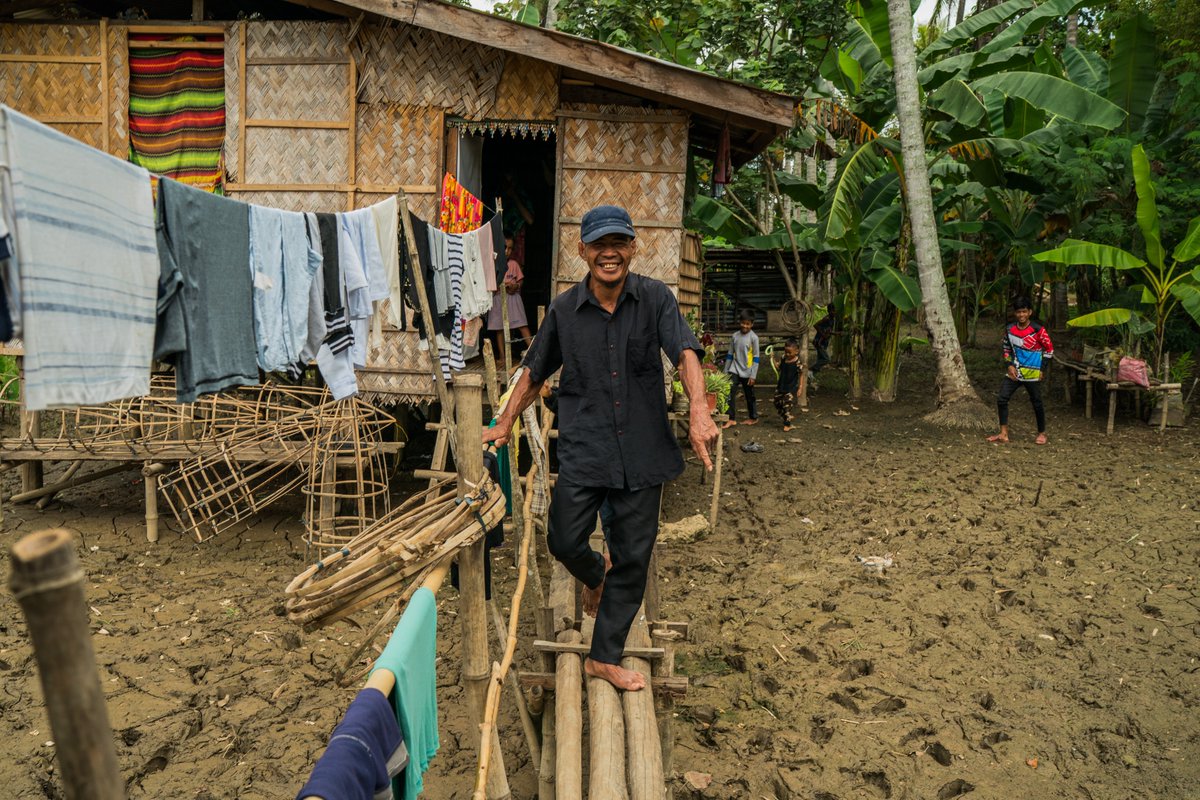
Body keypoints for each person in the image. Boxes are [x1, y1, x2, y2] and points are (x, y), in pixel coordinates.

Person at [482, 204, 719, 692]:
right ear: (583, 250)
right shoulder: (565, 310)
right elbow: (534, 369)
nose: (609, 253)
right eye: (599, 244)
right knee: (564, 540)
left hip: (643, 448)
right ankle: (596, 575)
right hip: (587, 447)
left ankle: (603, 657)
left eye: (618, 243)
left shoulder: (655, 299)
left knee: (633, 556)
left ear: (633, 247)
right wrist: (504, 422)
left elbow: (686, 353)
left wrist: (698, 409)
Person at [987, 295, 1054, 445]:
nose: (1021, 315)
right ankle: (1003, 433)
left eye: (1024, 312)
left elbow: (1049, 350)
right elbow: (1006, 348)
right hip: (1015, 371)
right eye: (1018, 312)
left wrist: (1042, 369)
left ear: (1029, 312)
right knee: (1002, 399)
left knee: (1036, 402)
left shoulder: (1038, 330)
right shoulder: (1010, 329)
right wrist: (1009, 365)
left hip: (1033, 372)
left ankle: (1042, 433)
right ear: (1015, 313)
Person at [487, 235, 532, 365]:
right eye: (504, 248)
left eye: (510, 249)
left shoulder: (513, 264)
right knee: (499, 328)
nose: (507, 251)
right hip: (498, 299)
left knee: (522, 325)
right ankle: (503, 356)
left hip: (513, 299)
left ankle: (532, 351)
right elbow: (489, 284)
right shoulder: (493, 265)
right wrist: (500, 286)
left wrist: (515, 286)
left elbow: (520, 281)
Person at [722, 310, 760, 428]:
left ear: (752, 324)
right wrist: (725, 371)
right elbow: (729, 354)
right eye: (743, 323)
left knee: (750, 395)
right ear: (740, 322)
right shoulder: (735, 336)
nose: (745, 326)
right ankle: (731, 418)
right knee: (729, 393)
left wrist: (753, 375)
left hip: (748, 371)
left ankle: (753, 417)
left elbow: (756, 357)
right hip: (734, 369)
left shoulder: (754, 338)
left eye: (747, 324)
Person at [772, 338, 801, 431]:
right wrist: (772, 358)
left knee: (787, 405)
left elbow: (802, 375)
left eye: (789, 352)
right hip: (781, 385)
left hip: (790, 388)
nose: (787, 354)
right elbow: (778, 367)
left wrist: (800, 387)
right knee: (776, 402)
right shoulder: (783, 358)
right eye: (786, 352)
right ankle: (785, 415)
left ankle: (787, 424)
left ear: (796, 351)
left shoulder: (798, 363)